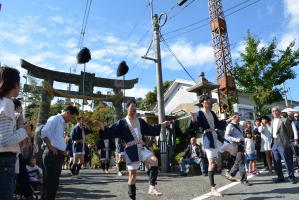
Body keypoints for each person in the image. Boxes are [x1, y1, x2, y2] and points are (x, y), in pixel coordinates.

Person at [94, 99, 171, 200]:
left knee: (154, 160)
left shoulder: (140, 121)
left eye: (135, 106)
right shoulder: (121, 123)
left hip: (142, 147)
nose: (134, 108)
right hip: (131, 150)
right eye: (132, 106)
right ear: (127, 108)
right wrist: (101, 126)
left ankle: (152, 188)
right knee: (132, 176)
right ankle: (132, 197)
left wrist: (162, 125)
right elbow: (111, 130)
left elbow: (150, 128)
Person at [0, 66, 29, 200]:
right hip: (5, 160)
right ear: (15, 84)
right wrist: (24, 131)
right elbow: (5, 140)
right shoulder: (7, 103)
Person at [190, 95, 227, 197]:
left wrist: (228, 120)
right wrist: (193, 118)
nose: (207, 101)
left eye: (208, 100)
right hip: (208, 138)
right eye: (205, 100)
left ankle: (227, 172)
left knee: (217, 160)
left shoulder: (212, 112)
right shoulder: (199, 113)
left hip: (216, 137)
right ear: (202, 102)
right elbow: (196, 126)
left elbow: (218, 124)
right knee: (211, 163)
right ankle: (213, 188)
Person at [41, 105, 79, 200]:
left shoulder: (61, 122)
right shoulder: (55, 119)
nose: (71, 119)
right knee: (51, 183)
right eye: (72, 116)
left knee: (53, 183)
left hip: (57, 154)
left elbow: (56, 138)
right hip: (52, 154)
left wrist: (62, 150)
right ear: (68, 112)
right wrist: (50, 147)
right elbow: (44, 131)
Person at [224, 113, 251, 186]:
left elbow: (241, 134)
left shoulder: (239, 125)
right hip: (236, 145)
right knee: (241, 162)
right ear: (233, 117)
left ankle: (230, 174)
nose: (239, 117)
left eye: (239, 116)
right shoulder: (230, 125)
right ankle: (244, 179)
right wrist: (235, 139)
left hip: (241, 144)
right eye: (238, 116)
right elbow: (226, 136)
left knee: (238, 161)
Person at [271, 107, 297, 184]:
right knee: (276, 161)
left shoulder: (285, 120)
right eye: (273, 111)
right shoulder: (272, 121)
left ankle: (291, 177)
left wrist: (286, 140)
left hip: (283, 142)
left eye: (276, 111)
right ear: (272, 113)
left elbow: (290, 132)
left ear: (279, 112)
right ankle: (280, 177)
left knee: (287, 160)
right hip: (274, 142)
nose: (275, 112)